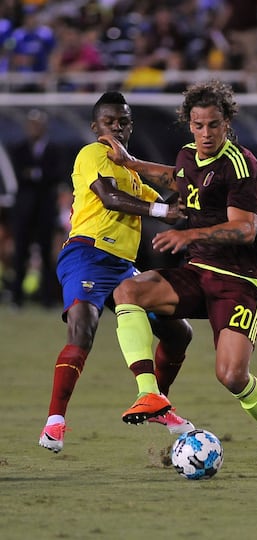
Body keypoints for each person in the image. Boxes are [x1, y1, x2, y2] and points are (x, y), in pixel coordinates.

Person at [102, 80, 257, 477]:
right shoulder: (188, 155)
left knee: (231, 376)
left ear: (227, 123)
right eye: (197, 125)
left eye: (213, 125)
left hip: (239, 281)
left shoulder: (242, 164)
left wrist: (188, 234)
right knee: (129, 291)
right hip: (197, 272)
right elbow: (178, 179)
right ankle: (150, 395)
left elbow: (244, 228)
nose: (205, 134)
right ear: (188, 124)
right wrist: (131, 163)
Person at [39, 91, 194, 453]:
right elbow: (110, 198)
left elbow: (165, 205)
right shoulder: (92, 153)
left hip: (122, 266)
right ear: (96, 127)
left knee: (178, 333)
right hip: (87, 254)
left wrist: (193, 189)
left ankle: (155, 402)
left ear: (131, 126)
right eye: (110, 121)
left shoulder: (131, 170)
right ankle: (54, 423)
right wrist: (162, 213)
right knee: (83, 331)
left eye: (123, 122)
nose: (118, 128)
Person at [9, 108, 62, 308]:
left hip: (45, 211)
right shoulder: (19, 149)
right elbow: (20, 174)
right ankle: (16, 298)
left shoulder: (54, 150)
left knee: (47, 254)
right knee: (20, 253)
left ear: (44, 126)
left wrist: (34, 174)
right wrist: (39, 175)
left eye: (37, 124)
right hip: (23, 211)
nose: (34, 128)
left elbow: (54, 175)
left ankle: (47, 298)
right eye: (31, 124)